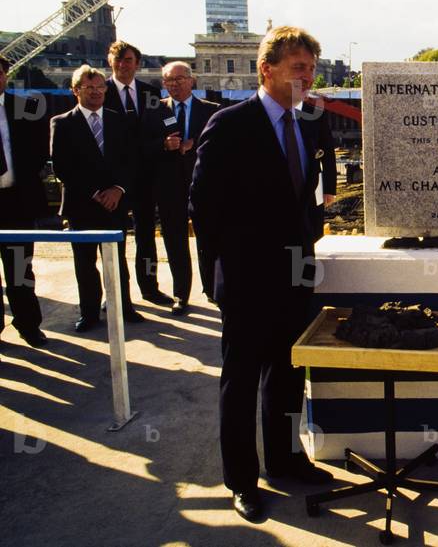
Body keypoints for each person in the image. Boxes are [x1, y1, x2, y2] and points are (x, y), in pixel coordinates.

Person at [190, 26, 338, 522]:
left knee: (289, 375)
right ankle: (242, 480)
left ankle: (286, 460)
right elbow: (202, 205)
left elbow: (308, 198)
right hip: (248, 279)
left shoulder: (310, 124)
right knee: (242, 381)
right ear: (266, 69)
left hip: (296, 274)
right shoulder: (231, 124)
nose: (307, 76)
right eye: (298, 67)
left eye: (312, 68)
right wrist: (219, 274)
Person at [51, 66, 144, 332]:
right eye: (89, 87)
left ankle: (123, 307)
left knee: (116, 261)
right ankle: (89, 313)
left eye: (100, 87)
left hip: (115, 203)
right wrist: (95, 193)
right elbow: (62, 167)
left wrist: (117, 189)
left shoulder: (120, 120)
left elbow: (131, 161)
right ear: (75, 90)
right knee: (85, 263)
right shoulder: (63, 123)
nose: (96, 92)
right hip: (82, 205)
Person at [143, 62, 219, 316]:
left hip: (205, 187)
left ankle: (211, 290)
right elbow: (140, 148)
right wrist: (164, 145)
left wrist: (194, 145)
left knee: (209, 240)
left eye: (179, 79)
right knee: (175, 243)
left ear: (191, 80)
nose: (174, 84)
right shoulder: (153, 111)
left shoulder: (211, 111)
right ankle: (181, 294)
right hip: (169, 188)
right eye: (168, 81)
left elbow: (222, 147)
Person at [104, 40, 172, 306]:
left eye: (128, 60)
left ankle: (150, 288)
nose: (123, 65)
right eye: (118, 60)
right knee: (115, 240)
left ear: (137, 64)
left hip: (146, 176)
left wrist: (169, 141)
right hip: (114, 180)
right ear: (111, 63)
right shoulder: (101, 91)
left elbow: (165, 124)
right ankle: (118, 296)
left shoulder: (149, 92)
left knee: (146, 238)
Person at [0, 55, 49, 348]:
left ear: (6, 75)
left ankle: (28, 324)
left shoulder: (25, 109)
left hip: (16, 202)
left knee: (20, 267)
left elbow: (39, 151)